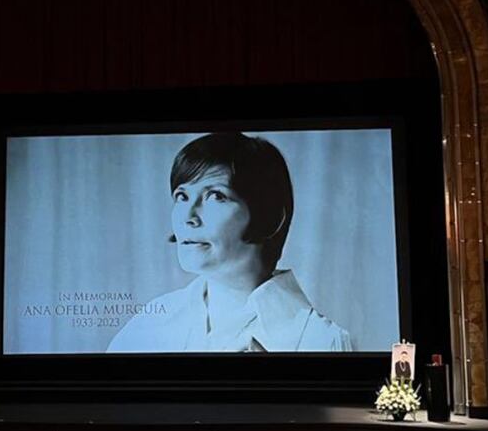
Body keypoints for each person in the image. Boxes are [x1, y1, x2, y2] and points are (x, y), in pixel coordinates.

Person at [108, 132, 352, 352]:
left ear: (268, 216)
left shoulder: (320, 340)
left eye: (215, 196)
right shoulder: (151, 324)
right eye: (182, 196)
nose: (188, 217)